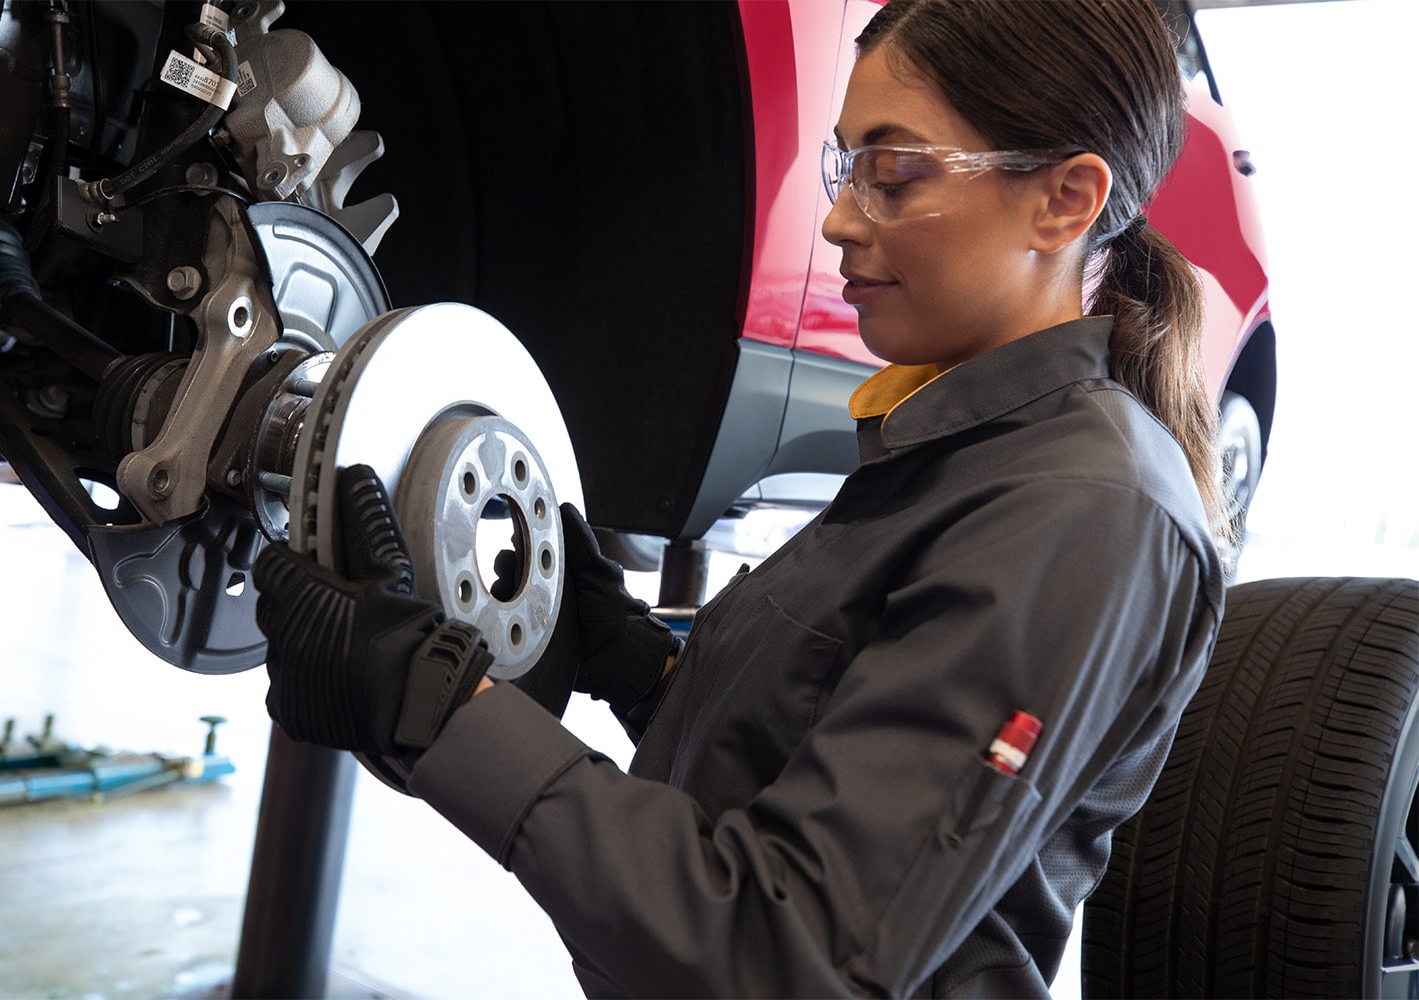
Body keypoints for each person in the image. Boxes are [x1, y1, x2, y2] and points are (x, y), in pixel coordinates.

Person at [250, 1, 1226, 995]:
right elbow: (829, 752)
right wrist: (641, 669)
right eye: (846, 170)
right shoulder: (966, 451)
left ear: (1064, 202)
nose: (841, 219)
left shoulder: (1083, 511)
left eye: (892, 175)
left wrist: (439, 709)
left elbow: (785, 949)